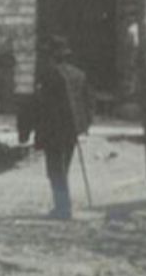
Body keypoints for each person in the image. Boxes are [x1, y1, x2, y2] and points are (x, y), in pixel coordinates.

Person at [18, 35, 93, 220]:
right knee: (62, 168)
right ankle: (63, 206)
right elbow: (89, 103)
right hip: (72, 131)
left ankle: (63, 208)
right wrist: (84, 125)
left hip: (52, 130)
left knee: (55, 171)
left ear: (51, 55)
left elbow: (35, 105)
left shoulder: (47, 76)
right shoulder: (79, 75)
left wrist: (25, 131)